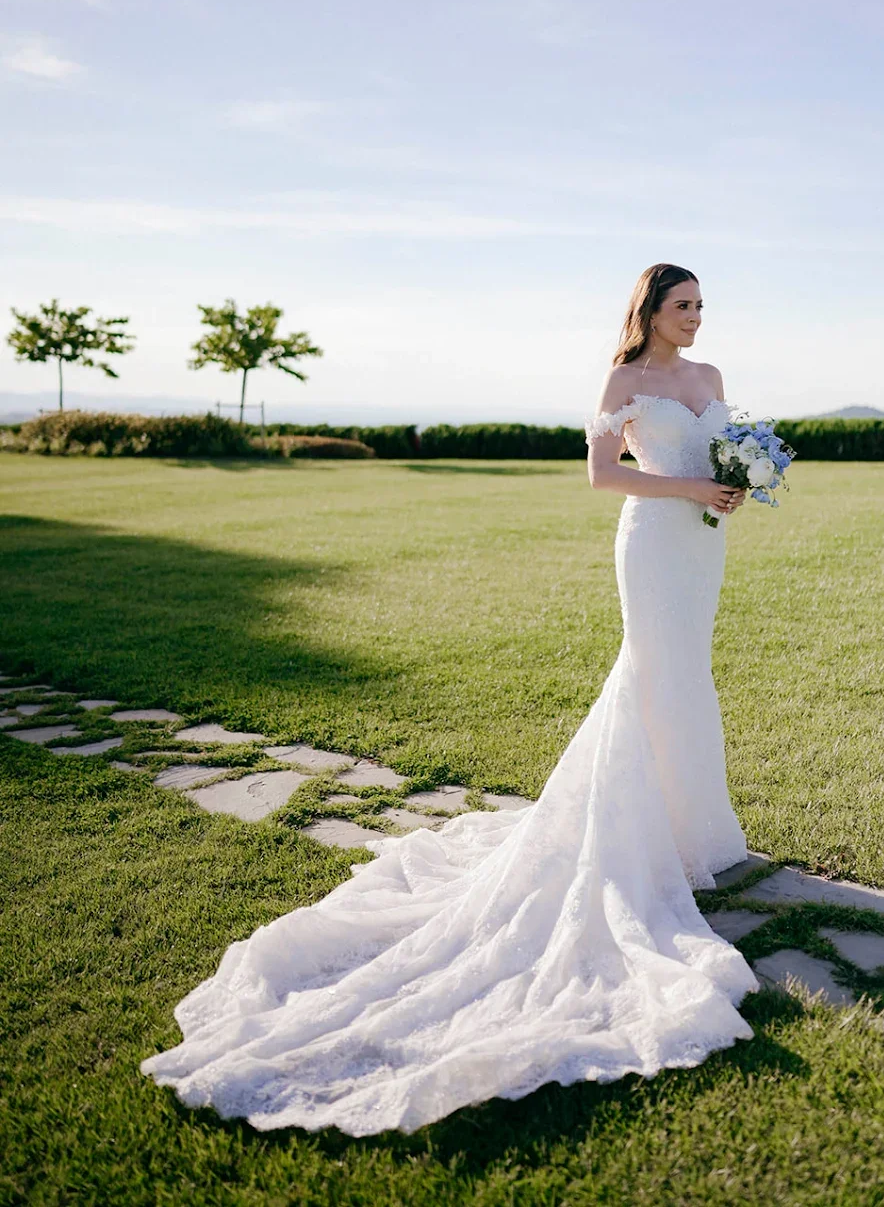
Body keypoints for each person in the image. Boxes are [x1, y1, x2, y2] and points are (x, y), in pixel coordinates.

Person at [140, 262, 759, 1138]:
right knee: (650, 672)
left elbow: (714, 452)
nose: (697, 319)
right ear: (650, 312)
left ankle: (695, 828)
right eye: (683, 306)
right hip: (655, 540)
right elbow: (602, 476)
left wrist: (730, 484)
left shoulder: (712, 378)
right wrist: (691, 488)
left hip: (702, 546)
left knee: (688, 674)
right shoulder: (627, 379)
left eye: (703, 306)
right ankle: (632, 830)